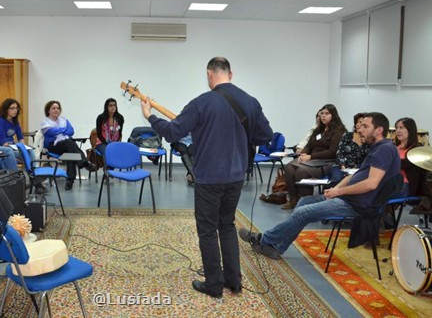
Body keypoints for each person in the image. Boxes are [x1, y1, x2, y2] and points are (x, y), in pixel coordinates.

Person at [140, 57, 273, 298]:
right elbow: (265, 135)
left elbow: (172, 133)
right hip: (236, 176)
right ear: (230, 74)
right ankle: (234, 281)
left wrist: (149, 115)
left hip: (209, 177)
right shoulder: (250, 101)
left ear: (209, 74)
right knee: (228, 225)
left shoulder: (201, 102)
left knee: (208, 230)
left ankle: (214, 284)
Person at [239, 112, 401, 260]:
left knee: (303, 212)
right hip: (349, 197)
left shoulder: (384, 151)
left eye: (366, 126)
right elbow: (356, 175)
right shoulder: (379, 148)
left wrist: (340, 191)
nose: (360, 129)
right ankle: (276, 247)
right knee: (303, 203)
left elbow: (371, 184)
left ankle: (265, 240)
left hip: (358, 204)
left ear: (379, 130)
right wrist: (337, 190)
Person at [282, 105, 346, 209]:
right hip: (312, 159)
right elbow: (309, 145)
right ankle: (294, 199)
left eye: (327, 114)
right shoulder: (318, 130)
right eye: (322, 114)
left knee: (301, 172)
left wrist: (311, 157)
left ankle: (307, 203)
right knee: (289, 168)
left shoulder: (339, 131)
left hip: (327, 161)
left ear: (333, 115)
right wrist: (304, 153)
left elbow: (332, 152)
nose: (323, 116)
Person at [41, 100, 95, 190]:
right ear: (48, 111)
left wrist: (61, 130)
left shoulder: (64, 120)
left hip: (66, 145)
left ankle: (70, 180)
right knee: (70, 143)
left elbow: (71, 131)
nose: (56, 110)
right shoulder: (45, 122)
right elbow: (53, 132)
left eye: (58, 108)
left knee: (70, 152)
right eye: (53, 108)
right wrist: (64, 130)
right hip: (53, 146)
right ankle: (84, 163)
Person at [329, 112, 370, 184]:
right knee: (337, 179)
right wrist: (343, 167)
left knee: (354, 181)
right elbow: (340, 152)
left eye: (361, 122)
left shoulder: (369, 139)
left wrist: (357, 168)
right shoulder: (347, 135)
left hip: (359, 169)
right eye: (357, 122)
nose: (358, 124)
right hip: (341, 166)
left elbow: (368, 158)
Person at [393, 117, 426, 198]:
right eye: (396, 128)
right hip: (390, 181)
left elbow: (405, 163)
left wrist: (388, 161)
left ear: (410, 130)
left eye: (401, 127)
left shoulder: (417, 149)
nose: (398, 131)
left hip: (405, 184)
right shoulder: (394, 147)